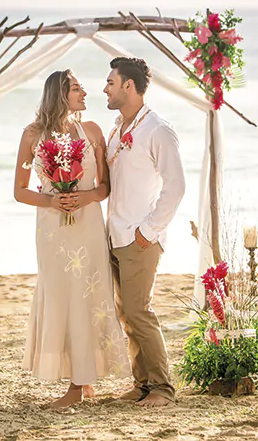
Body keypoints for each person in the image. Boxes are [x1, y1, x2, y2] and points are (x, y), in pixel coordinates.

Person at [15, 69, 130, 408]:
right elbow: (20, 191)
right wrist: (52, 200)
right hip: (53, 229)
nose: (85, 93)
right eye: (78, 88)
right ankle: (76, 381)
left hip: (88, 226)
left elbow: (105, 187)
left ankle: (83, 381)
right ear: (60, 93)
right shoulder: (32, 135)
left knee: (90, 297)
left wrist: (87, 197)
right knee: (62, 296)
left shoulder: (93, 131)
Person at [102, 56, 186, 407]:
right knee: (126, 314)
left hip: (140, 238)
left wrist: (148, 231)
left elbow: (176, 186)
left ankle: (163, 388)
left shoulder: (158, 129)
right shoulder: (116, 129)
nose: (104, 88)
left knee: (140, 311)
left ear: (128, 86)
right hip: (115, 235)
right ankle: (143, 384)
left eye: (110, 82)